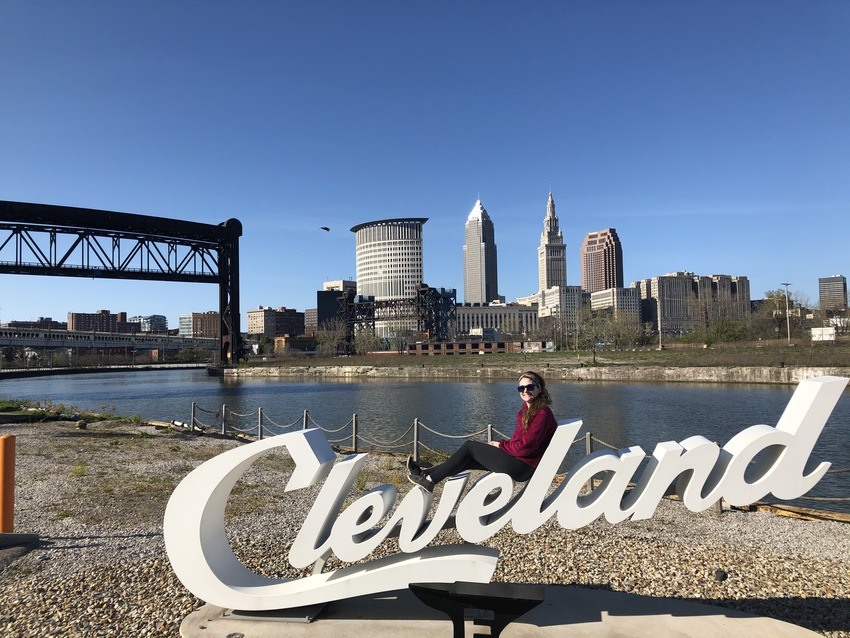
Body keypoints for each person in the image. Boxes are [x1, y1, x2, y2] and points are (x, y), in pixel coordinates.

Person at [407, 370, 557, 492]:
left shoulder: (541, 414)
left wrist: (501, 445)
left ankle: (430, 479)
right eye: (521, 388)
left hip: (523, 466)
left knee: (469, 447)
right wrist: (502, 445)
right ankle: (426, 474)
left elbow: (525, 447)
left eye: (530, 387)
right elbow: (520, 441)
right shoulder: (528, 410)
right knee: (467, 459)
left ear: (539, 388)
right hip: (520, 461)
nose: (525, 391)